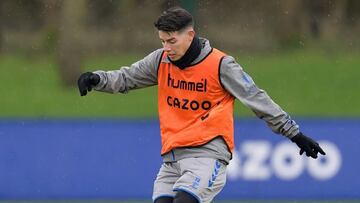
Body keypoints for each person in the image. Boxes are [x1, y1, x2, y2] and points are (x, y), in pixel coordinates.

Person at [77, 6, 326, 203]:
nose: (166, 47)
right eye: (163, 41)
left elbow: (257, 98)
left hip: (207, 155)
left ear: (190, 35)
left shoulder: (221, 65)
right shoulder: (161, 60)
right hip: (172, 158)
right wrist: (97, 79)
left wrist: (295, 134)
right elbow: (127, 77)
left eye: (171, 41)